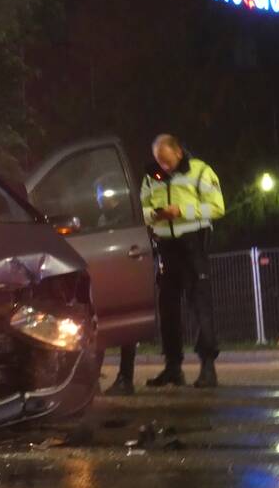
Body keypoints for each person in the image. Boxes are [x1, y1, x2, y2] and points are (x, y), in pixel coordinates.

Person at [141, 134, 225, 388]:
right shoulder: (150, 177)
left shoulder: (201, 171)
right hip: (166, 247)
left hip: (193, 245)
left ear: (178, 152)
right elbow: (141, 208)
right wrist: (153, 215)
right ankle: (173, 367)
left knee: (201, 305)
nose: (163, 167)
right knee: (167, 308)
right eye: (159, 161)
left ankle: (208, 367)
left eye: (167, 161)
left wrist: (181, 212)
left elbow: (217, 208)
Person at [93, 173, 139, 396]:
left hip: (123, 276)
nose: (99, 199)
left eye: (103, 194)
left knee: (125, 330)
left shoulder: (124, 217)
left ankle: (125, 378)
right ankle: (93, 377)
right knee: (99, 326)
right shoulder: (102, 220)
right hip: (107, 277)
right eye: (97, 195)